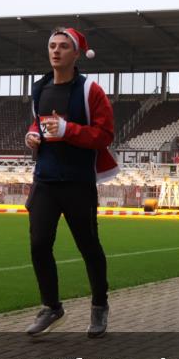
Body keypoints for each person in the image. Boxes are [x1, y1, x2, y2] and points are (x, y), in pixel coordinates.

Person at [24, 27, 119, 338]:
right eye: (52, 45)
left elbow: (105, 136)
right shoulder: (39, 89)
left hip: (78, 181)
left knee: (89, 246)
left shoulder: (91, 90)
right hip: (45, 181)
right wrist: (32, 136)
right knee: (39, 245)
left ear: (76, 53)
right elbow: (39, 123)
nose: (56, 51)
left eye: (64, 46)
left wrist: (69, 131)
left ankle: (99, 306)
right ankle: (51, 307)